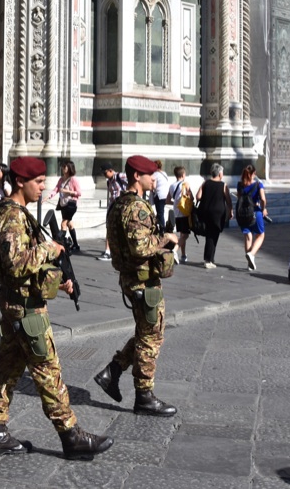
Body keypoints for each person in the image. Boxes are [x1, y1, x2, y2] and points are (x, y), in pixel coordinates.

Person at [0, 156, 113, 460]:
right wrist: (48, 248)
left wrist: (58, 280)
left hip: (17, 305)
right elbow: (16, 265)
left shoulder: (14, 212)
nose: (43, 187)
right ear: (20, 181)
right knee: (47, 370)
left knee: (7, 369)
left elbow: (26, 267)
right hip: (26, 310)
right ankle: (72, 436)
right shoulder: (12, 216)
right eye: (38, 182)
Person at [94, 155, 178, 417]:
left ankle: (114, 371)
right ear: (136, 177)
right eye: (149, 174)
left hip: (131, 279)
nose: (154, 178)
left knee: (146, 331)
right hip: (143, 281)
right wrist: (167, 238)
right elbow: (141, 247)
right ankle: (144, 396)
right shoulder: (137, 208)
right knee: (152, 337)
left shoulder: (119, 204)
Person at [195, 163, 232, 268]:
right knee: (212, 235)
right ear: (220, 174)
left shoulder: (205, 183)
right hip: (218, 214)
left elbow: (198, 196)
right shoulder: (223, 185)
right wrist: (231, 210)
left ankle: (211, 258)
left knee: (211, 235)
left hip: (205, 212)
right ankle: (208, 260)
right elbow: (228, 200)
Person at [236, 164, 267, 270]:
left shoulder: (240, 185)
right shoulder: (258, 184)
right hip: (255, 212)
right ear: (254, 173)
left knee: (247, 236)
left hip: (242, 213)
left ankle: (249, 263)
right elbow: (263, 199)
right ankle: (252, 254)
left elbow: (239, 197)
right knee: (260, 235)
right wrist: (263, 209)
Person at [46, 161, 82, 253]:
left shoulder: (73, 179)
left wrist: (68, 191)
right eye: (62, 167)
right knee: (70, 224)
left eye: (65, 167)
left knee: (63, 224)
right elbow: (56, 189)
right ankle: (76, 245)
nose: (63, 169)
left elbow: (79, 193)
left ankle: (61, 245)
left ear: (70, 168)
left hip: (71, 205)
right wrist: (48, 196)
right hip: (63, 205)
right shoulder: (61, 179)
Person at [98, 163, 127, 261]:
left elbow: (132, 184)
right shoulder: (109, 181)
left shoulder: (120, 176)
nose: (104, 175)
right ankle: (108, 251)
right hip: (113, 205)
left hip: (121, 205)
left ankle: (114, 251)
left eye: (105, 173)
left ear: (111, 170)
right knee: (109, 226)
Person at [166, 166, 192, 262]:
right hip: (184, 213)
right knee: (185, 235)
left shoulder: (172, 186)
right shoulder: (185, 184)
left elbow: (167, 200)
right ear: (183, 174)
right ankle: (174, 250)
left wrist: (176, 203)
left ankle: (183, 255)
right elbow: (191, 197)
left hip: (176, 213)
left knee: (182, 234)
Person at [151, 160, 172, 234]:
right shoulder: (164, 173)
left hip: (159, 195)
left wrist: (151, 189)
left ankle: (162, 229)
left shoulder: (155, 174)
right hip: (166, 195)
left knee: (160, 213)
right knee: (160, 212)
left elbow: (154, 186)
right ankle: (158, 225)